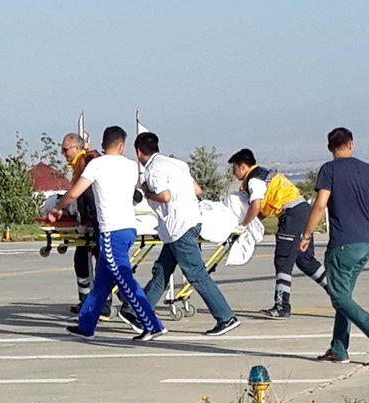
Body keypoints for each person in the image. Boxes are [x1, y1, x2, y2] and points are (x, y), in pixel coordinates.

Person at [50, 126, 166, 341]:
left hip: (112, 231)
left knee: (124, 279)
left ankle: (152, 324)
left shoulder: (96, 165)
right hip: (128, 228)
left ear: (103, 145)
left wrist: (58, 208)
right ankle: (86, 326)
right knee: (103, 282)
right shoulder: (132, 166)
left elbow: (75, 192)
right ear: (122, 145)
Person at [129, 132, 240, 336]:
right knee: (162, 271)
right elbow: (198, 190)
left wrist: (146, 192)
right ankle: (141, 313)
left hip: (178, 228)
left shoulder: (152, 169)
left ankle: (225, 316)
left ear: (138, 152)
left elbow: (164, 196)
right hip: (190, 222)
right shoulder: (177, 164)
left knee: (196, 274)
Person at [300, 127, 369, 365]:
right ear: (351, 144)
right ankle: (339, 349)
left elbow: (320, 205)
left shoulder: (329, 170)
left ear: (330, 147)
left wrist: (307, 234)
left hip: (342, 244)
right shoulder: (367, 170)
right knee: (345, 297)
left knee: (339, 298)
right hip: (365, 243)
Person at [228, 148, 328, 319]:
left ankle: (282, 306)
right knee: (304, 260)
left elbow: (256, 206)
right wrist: (254, 223)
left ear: (243, 166)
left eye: (234, 168)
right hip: (303, 211)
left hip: (291, 216)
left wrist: (243, 225)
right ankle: (338, 293)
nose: (233, 173)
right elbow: (264, 209)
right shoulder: (264, 174)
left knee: (283, 260)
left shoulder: (254, 180)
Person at [59, 133, 112, 319]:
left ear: (76, 148)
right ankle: (88, 303)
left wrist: (79, 220)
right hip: (98, 220)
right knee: (84, 259)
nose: (63, 153)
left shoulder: (85, 163)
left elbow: (84, 195)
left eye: (65, 150)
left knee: (104, 265)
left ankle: (104, 305)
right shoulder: (86, 160)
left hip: (100, 221)